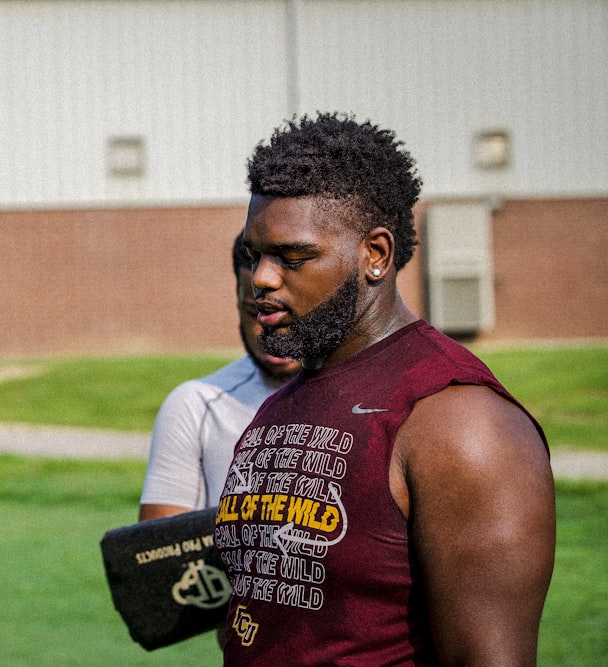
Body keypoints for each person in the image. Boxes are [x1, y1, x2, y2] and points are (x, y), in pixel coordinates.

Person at [215, 112, 555, 665]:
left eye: (293, 257)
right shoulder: (281, 404)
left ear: (374, 255)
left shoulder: (459, 422)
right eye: (256, 254)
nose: (262, 278)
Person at [139, 233, 300, 521]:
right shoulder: (195, 405)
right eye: (257, 311)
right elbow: (159, 557)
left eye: (286, 312)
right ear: (238, 303)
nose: (271, 329)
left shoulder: (371, 399)